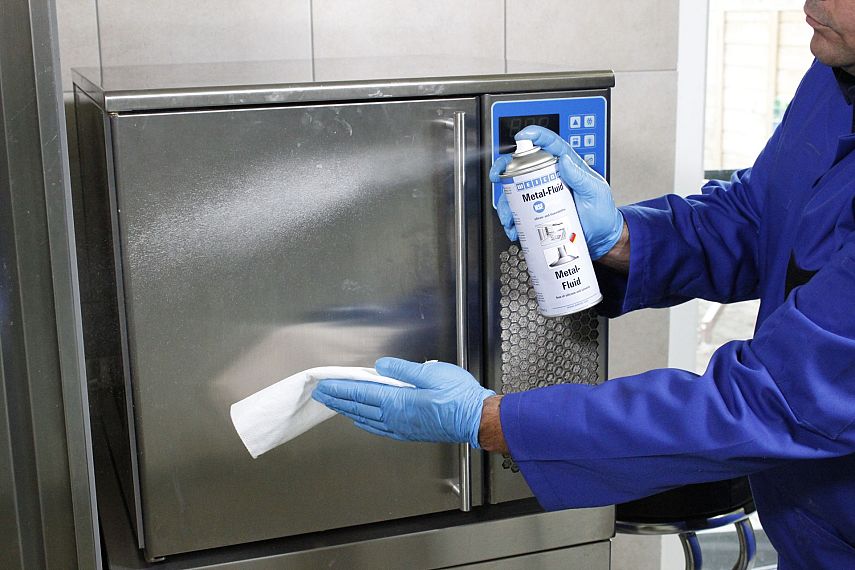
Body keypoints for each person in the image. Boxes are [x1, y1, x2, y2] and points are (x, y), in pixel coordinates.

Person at [313, 1, 855, 566]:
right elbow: (758, 220)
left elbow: (774, 402)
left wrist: (491, 420)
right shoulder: (836, 68)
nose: (812, 2)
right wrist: (620, 237)